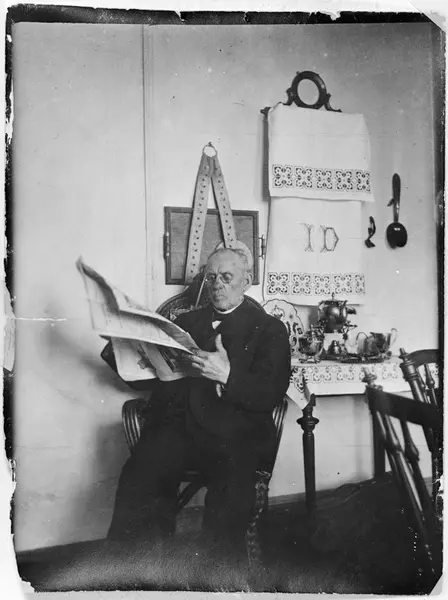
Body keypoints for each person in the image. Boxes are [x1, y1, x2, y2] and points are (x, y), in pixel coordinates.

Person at [107, 248, 291, 558]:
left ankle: (218, 575)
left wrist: (227, 376)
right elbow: (149, 379)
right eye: (212, 277)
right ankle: (136, 568)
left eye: (227, 277)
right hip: (180, 429)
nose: (217, 284)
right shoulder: (185, 322)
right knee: (140, 473)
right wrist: (121, 349)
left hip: (235, 434)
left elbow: (270, 391)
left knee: (231, 491)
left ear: (246, 282)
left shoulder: (269, 329)